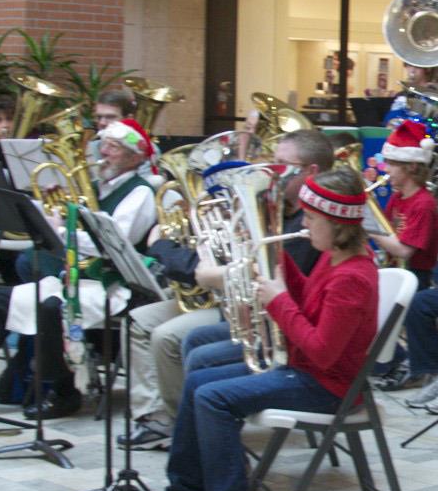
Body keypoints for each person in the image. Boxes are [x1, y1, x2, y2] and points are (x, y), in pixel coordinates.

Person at [138, 168, 381, 491]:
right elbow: (311, 303)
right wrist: (273, 263)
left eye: (312, 218)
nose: (303, 224)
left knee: (213, 400)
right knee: (198, 378)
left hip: (326, 387)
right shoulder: (333, 259)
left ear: (338, 225)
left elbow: (322, 351)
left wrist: (278, 299)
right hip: (305, 371)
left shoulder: (353, 277)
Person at [0, 119, 161, 422]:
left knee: (50, 306)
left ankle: (63, 390)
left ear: (135, 157)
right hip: (79, 279)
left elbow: (114, 243)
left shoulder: (141, 193)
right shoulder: (95, 185)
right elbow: (65, 229)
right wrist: (42, 210)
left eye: (115, 147)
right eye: (104, 143)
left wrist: (61, 231)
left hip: (114, 284)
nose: (103, 151)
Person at [144, 129, 338, 443]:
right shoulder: (284, 211)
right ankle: (195, 440)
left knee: (189, 352)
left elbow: (269, 278)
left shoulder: (313, 227)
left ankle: (199, 439)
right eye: (272, 162)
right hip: (255, 314)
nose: (271, 172)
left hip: (276, 330)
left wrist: (182, 258)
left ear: (310, 172)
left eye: (281, 165)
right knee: (190, 342)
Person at [370, 120, 438, 382]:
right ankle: (392, 360)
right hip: (395, 269)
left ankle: (415, 365)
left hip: (415, 275)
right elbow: (387, 230)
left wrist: (369, 230)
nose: (385, 169)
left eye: (391, 164)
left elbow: (404, 249)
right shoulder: (397, 197)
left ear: (411, 167)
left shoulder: (423, 203)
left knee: (401, 319)